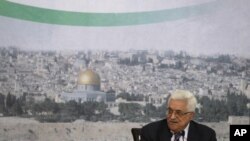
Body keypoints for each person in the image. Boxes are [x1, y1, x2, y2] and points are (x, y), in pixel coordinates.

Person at [140, 90, 217, 141]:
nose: (172, 117)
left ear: (191, 115)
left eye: (179, 113)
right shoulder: (150, 133)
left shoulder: (206, 136)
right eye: (170, 111)